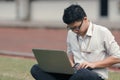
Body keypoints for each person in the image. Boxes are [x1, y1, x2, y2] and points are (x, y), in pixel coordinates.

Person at [30, 4, 120, 80]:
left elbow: (118, 57)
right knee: (36, 68)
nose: (74, 31)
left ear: (85, 19)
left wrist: (93, 64)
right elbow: (70, 56)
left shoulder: (103, 32)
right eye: (70, 28)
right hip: (74, 74)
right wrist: (68, 64)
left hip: (93, 76)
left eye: (76, 27)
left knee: (82, 73)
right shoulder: (71, 34)